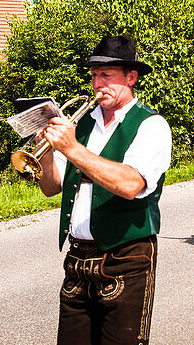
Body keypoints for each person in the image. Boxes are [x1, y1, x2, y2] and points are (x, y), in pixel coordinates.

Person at [36, 35, 171, 345]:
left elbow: (129, 184)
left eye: (106, 75)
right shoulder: (81, 124)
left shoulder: (151, 125)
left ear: (131, 77)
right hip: (77, 260)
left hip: (125, 258)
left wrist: (71, 149)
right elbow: (51, 187)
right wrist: (45, 150)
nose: (97, 83)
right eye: (94, 75)